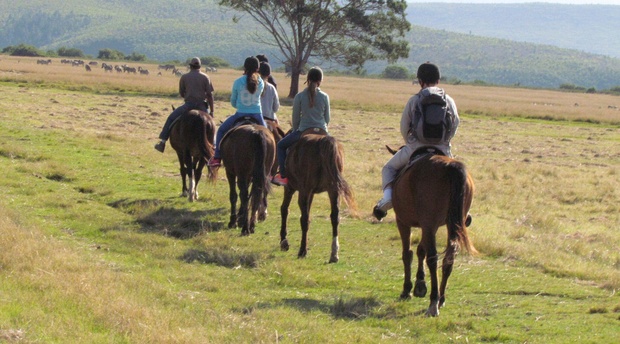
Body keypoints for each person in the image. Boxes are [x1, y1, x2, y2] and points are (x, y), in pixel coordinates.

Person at [373, 62, 460, 220]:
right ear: (438, 80)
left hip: (415, 148)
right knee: (458, 176)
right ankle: (462, 210)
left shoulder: (414, 100)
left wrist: (411, 142)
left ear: (420, 81)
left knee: (388, 168)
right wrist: (444, 141)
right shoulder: (449, 101)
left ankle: (387, 200)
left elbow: (404, 126)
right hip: (442, 149)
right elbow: (455, 124)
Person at [271, 67, 330, 186]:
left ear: (307, 79)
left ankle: (283, 175)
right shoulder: (325, 96)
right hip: (323, 131)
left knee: (281, 146)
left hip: (304, 130)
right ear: (320, 80)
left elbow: (296, 118)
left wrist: (296, 129)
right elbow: (327, 118)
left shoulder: (299, 96)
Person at [208, 56, 266, 167]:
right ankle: (269, 165)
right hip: (257, 115)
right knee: (268, 137)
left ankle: (217, 158)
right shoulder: (261, 82)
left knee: (221, 131)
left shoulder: (237, 82)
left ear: (245, 67)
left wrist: (240, 106)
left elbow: (233, 102)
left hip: (240, 114)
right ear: (258, 68)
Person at [154, 57, 214, 153]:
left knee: (171, 118)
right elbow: (210, 95)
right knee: (211, 124)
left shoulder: (184, 77)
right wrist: (212, 111)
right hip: (202, 106)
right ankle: (213, 145)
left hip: (188, 105)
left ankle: (162, 142)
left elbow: (182, 93)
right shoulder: (206, 77)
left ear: (190, 66)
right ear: (200, 66)